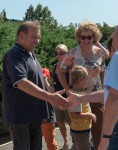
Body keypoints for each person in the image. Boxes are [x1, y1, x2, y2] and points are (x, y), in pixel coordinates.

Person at [68, 19, 118, 150]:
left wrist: (105, 137)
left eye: (113, 32)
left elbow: (114, 99)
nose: (111, 36)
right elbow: (112, 92)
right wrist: (81, 98)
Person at [2, 21, 69, 150]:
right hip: (20, 117)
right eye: (34, 37)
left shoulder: (31, 55)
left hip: (34, 116)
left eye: (39, 37)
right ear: (21, 36)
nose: (38, 41)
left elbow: (38, 83)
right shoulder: (14, 55)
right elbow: (21, 83)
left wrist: (43, 111)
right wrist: (49, 97)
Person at [58, 21, 109, 150]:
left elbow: (103, 74)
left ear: (94, 38)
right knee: (79, 135)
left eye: (89, 37)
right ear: (79, 37)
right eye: (83, 37)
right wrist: (68, 91)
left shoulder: (99, 53)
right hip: (77, 98)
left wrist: (104, 92)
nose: (86, 40)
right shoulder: (73, 53)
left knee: (99, 133)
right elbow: (60, 71)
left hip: (96, 97)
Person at [69, 65, 96, 150]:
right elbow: (75, 115)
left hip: (81, 129)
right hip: (80, 131)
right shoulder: (76, 96)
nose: (88, 81)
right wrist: (90, 115)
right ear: (80, 80)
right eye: (86, 79)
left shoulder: (78, 92)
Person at [52, 44, 71, 150]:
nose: (58, 55)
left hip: (69, 98)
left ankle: (75, 142)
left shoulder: (71, 66)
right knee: (60, 122)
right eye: (57, 53)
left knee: (72, 122)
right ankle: (65, 141)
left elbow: (75, 84)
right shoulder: (55, 66)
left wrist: (66, 91)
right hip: (58, 99)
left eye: (61, 53)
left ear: (67, 53)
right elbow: (53, 82)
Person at [41, 68, 58, 150]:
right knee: (35, 143)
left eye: (44, 77)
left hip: (48, 118)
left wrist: (45, 81)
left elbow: (52, 93)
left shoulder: (50, 87)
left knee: (51, 144)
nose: (42, 78)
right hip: (37, 119)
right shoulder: (35, 88)